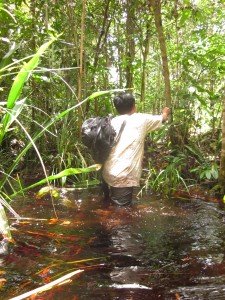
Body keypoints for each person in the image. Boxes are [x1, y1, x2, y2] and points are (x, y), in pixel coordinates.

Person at [102, 92, 170, 206]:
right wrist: (165, 112)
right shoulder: (141, 119)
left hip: (107, 173)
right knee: (121, 214)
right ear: (134, 106)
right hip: (123, 176)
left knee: (109, 206)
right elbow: (163, 119)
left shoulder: (112, 121)